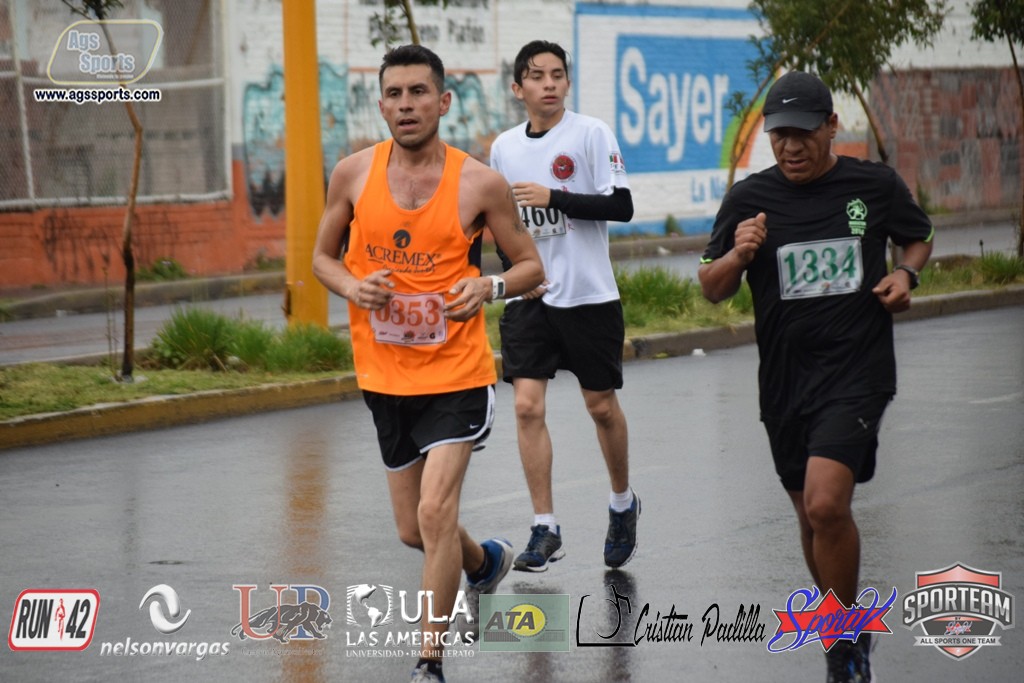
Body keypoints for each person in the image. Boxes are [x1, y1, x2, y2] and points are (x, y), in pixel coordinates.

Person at [311, 44, 544, 683]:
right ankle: (483, 563)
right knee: (414, 530)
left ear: (443, 102)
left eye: (419, 92)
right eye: (395, 93)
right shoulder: (352, 174)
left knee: (435, 512)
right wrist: (352, 286)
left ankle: (428, 663)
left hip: (457, 374)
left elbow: (530, 267)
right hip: (385, 375)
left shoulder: (479, 183)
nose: (406, 104)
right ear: (381, 104)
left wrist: (490, 286)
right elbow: (321, 258)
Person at [698, 71, 933, 683]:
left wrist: (906, 274)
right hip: (784, 381)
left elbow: (917, 237)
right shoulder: (748, 199)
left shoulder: (873, 185)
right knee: (809, 516)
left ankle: (843, 642)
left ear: (831, 126)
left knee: (827, 504)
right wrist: (739, 254)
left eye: (803, 133)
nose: (790, 146)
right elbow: (712, 288)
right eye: (779, 135)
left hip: (857, 371)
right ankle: (842, 631)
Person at [489, 40, 639, 573]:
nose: (548, 83)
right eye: (536, 76)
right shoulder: (503, 148)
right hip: (532, 298)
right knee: (527, 407)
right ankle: (544, 526)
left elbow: (622, 205)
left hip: (589, 295)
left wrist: (555, 197)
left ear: (567, 83)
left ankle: (622, 503)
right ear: (518, 88)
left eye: (557, 74)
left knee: (600, 407)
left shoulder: (591, 133)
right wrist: (515, 271)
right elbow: (501, 221)